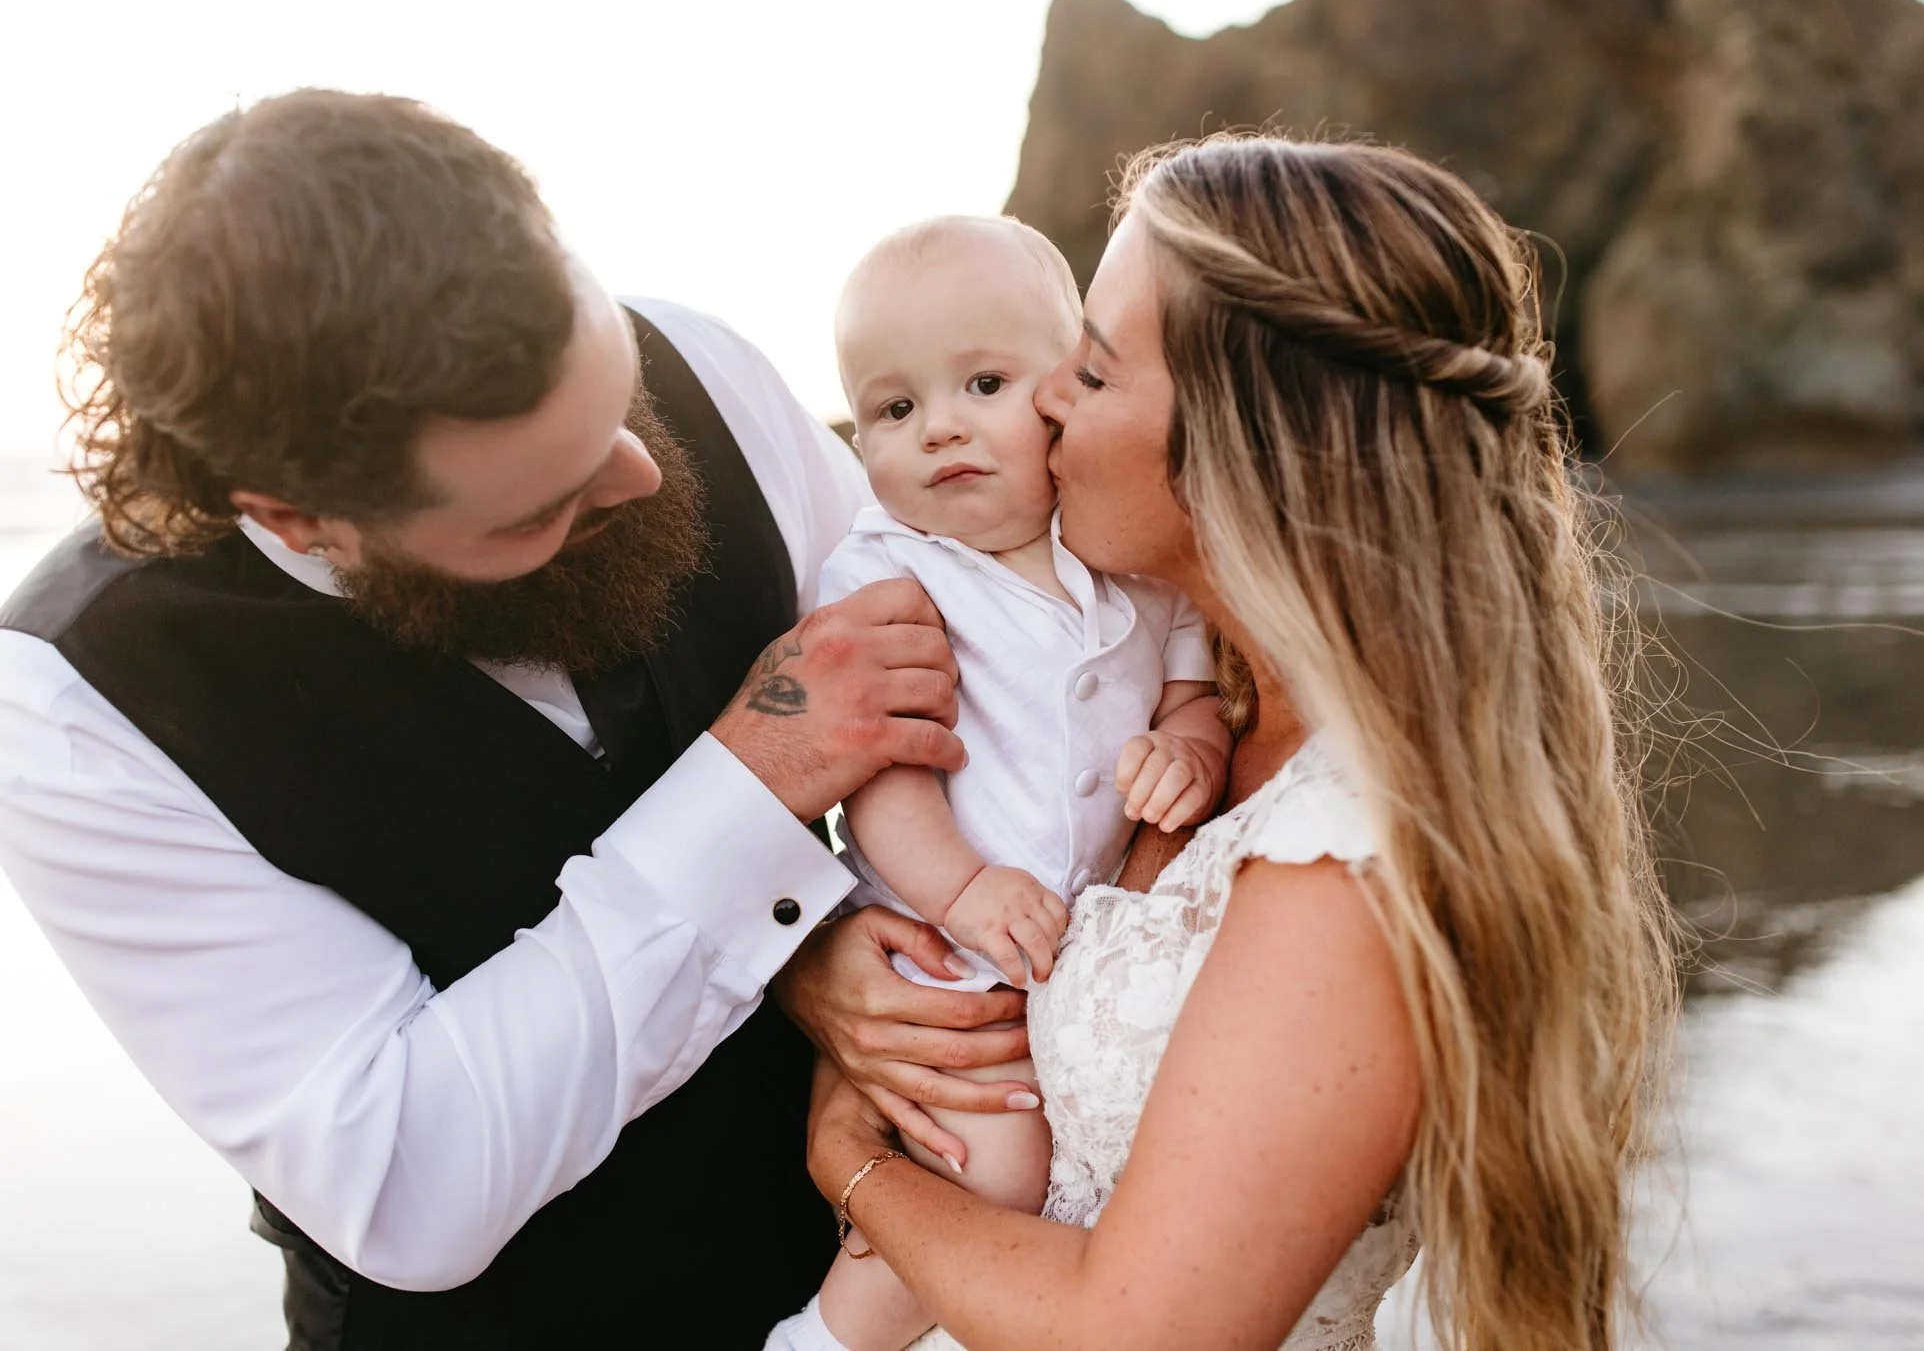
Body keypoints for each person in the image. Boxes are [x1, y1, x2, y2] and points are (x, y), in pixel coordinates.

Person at [0, 89, 1044, 1350]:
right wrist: (752, 781)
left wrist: (815, 947)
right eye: (532, 504)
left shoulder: (703, 364)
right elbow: (407, 1178)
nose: (642, 468)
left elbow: (995, 708)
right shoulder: (76, 705)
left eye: (615, 393)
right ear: (296, 515)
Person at [778, 134, 1680, 1351]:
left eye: (1088, 376)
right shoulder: (1201, 689)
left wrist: (850, 1162)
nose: (1043, 402)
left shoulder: (1349, 859)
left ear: (1238, 443)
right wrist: (831, 973)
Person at [810, 215, 1230, 1349]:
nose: (938, 427)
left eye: (983, 383)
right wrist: (959, 891)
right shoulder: (890, 571)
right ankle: (825, 1337)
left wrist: (1186, 749)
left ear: (1063, 390)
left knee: (1058, 1162)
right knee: (985, 1163)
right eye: (892, 410)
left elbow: (1192, 695)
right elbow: (882, 777)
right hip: (938, 929)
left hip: (1065, 938)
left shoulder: (1130, 559)